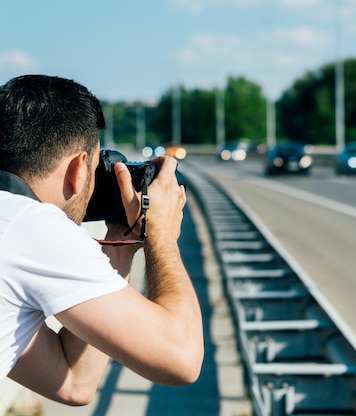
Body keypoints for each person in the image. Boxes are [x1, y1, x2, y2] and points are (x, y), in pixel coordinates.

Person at [0, 75, 204, 405]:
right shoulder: (31, 226)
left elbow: (74, 384)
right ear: (79, 168)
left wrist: (119, 246)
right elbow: (182, 359)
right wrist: (161, 235)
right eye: (97, 169)